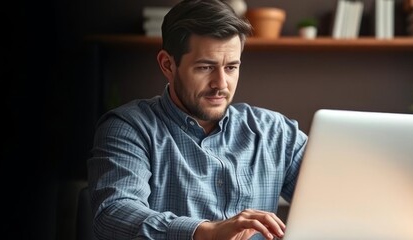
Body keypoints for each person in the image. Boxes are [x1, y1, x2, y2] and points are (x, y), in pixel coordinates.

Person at [86, 0, 307, 239]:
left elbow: (338, 196)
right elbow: (113, 213)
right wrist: (205, 232)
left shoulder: (276, 132)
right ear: (168, 65)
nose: (221, 84)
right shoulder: (128, 128)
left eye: (231, 67)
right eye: (205, 67)